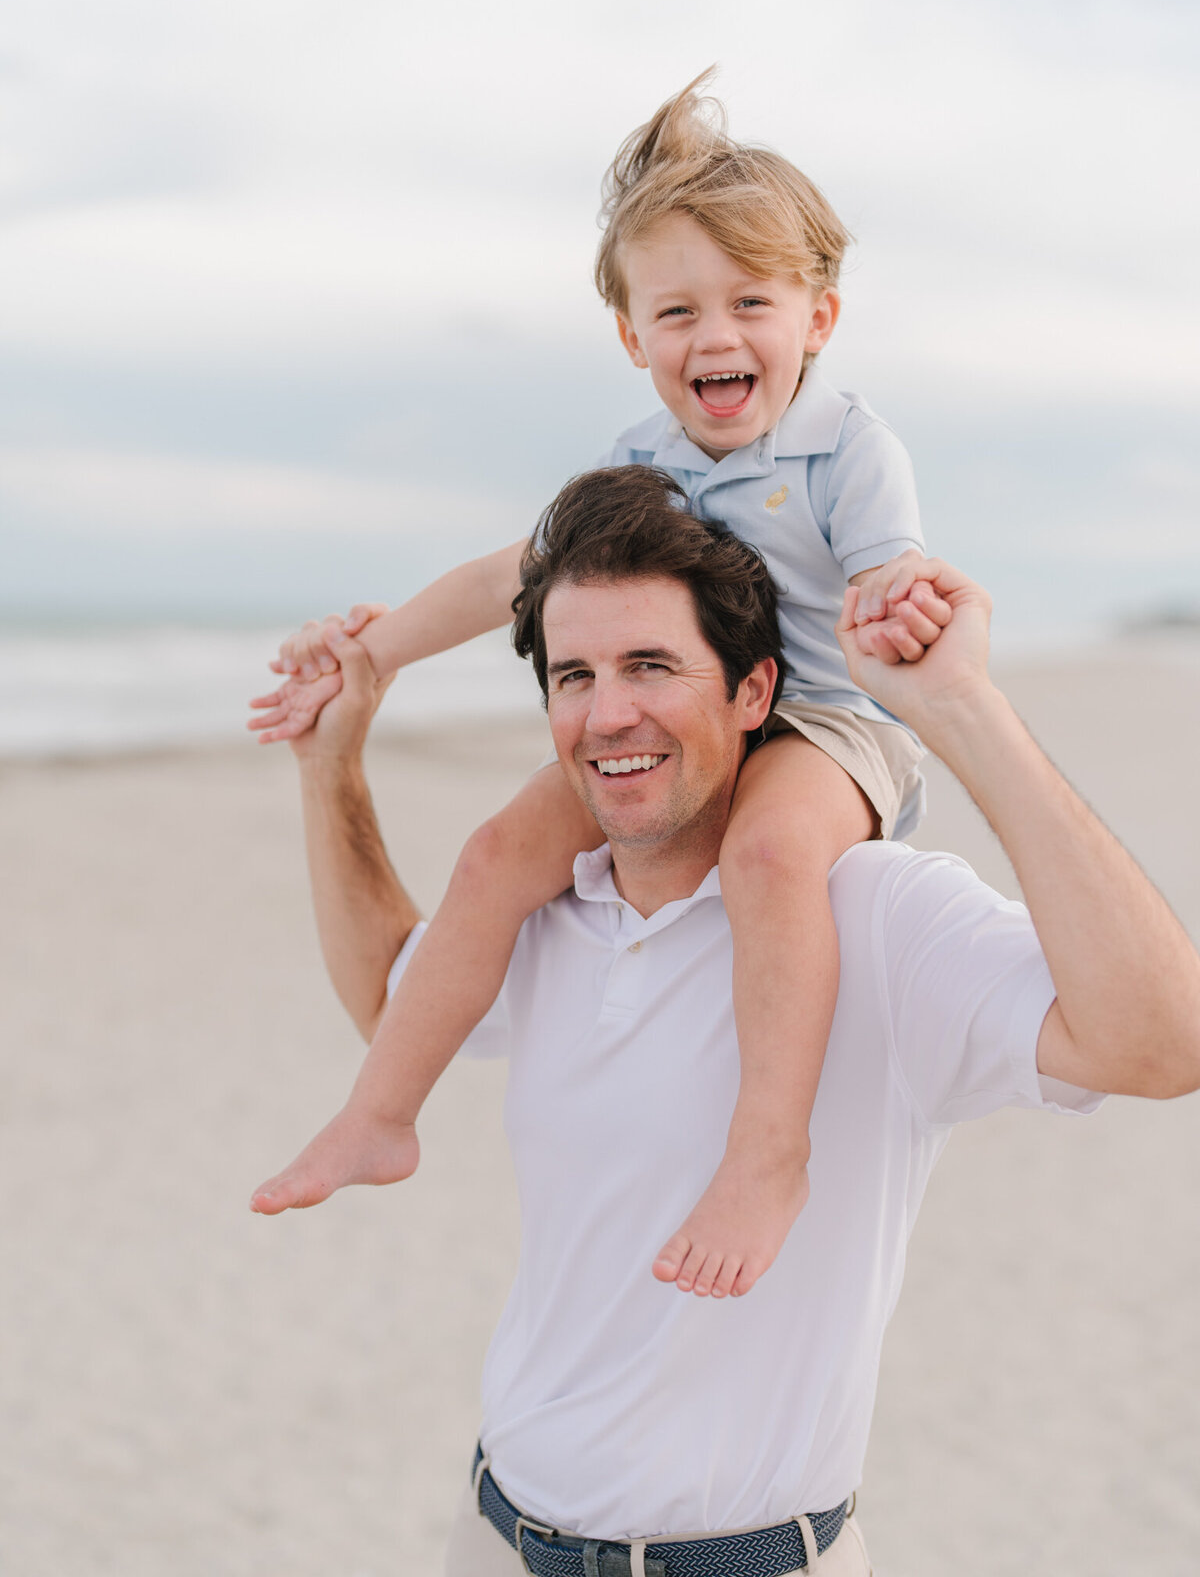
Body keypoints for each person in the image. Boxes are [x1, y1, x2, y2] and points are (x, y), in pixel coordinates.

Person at [254, 468, 1200, 1576]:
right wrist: (331, 763)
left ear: (754, 692)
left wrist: (960, 708)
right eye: (574, 676)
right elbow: (389, 999)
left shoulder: (873, 915)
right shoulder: (549, 907)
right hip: (496, 1535)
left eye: (651, 666)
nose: (609, 713)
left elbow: (1161, 1043)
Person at [246, 71, 945, 1298]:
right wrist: (374, 652)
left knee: (770, 854)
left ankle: (767, 1153)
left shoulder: (849, 447)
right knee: (493, 852)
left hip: (830, 726)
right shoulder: (639, 467)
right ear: (632, 337)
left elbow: (890, 573)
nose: (715, 336)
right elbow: (507, 576)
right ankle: (380, 1112)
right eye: (676, 311)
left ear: (819, 317)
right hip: (687, 721)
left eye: (752, 302)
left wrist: (906, 603)